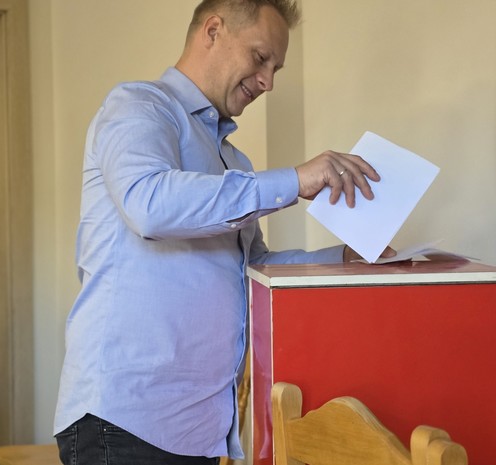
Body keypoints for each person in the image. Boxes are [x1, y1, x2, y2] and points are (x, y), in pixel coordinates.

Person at [54, 1, 394, 464]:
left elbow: (251, 269)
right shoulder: (138, 106)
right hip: (126, 418)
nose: (268, 82)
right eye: (260, 58)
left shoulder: (234, 162)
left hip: (199, 429)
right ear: (213, 31)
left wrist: (345, 260)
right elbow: (149, 205)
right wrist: (294, 181)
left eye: (275, 68)